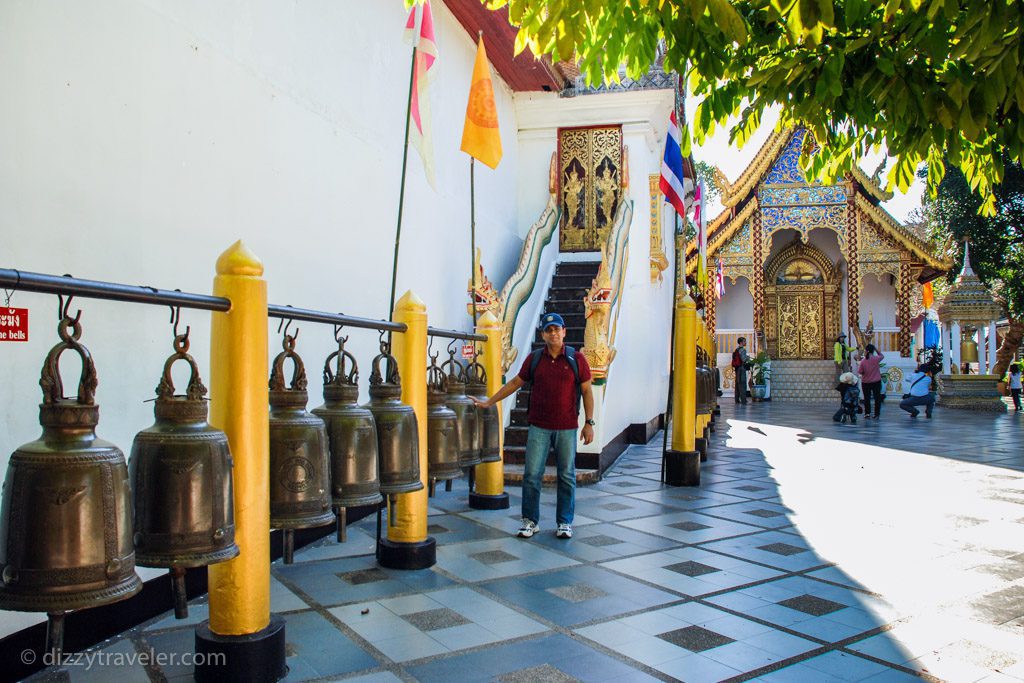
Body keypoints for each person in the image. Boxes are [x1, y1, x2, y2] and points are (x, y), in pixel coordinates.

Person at [471, 312, 594, 540]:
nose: (553, 333)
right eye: (549, 330)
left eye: (557, 329)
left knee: (566, 475)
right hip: (539, 427)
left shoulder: (576, 359)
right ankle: (530, 521)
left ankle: (565, 522)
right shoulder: (535, 359)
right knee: (531, 475)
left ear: (564, 332)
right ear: (543, 335)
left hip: (567, 427)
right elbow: (515, 383)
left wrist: (589, 423)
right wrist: (490, 401)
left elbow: (587, 391)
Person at [857, 344, 885, 419]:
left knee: (867, 398)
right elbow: (882, 355)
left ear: (866, 351)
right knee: (877, 398)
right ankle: (876, 414)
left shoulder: (863, 361)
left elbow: (860, 371)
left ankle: (867, 413)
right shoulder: (876, 359)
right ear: (873, 351)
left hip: (866, 382)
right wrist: (876, 349)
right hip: (876, 381)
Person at [732, 337, 750, 404]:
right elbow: (743, 359)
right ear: (741, 342)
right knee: (742, 384)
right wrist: (747, 357)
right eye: (744, 341)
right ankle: (743, 400)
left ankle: (737, 400)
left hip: (737, 368)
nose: (745, 343)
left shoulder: (736, 350)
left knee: (737, 384)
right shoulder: (743, 350)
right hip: (742, 368)